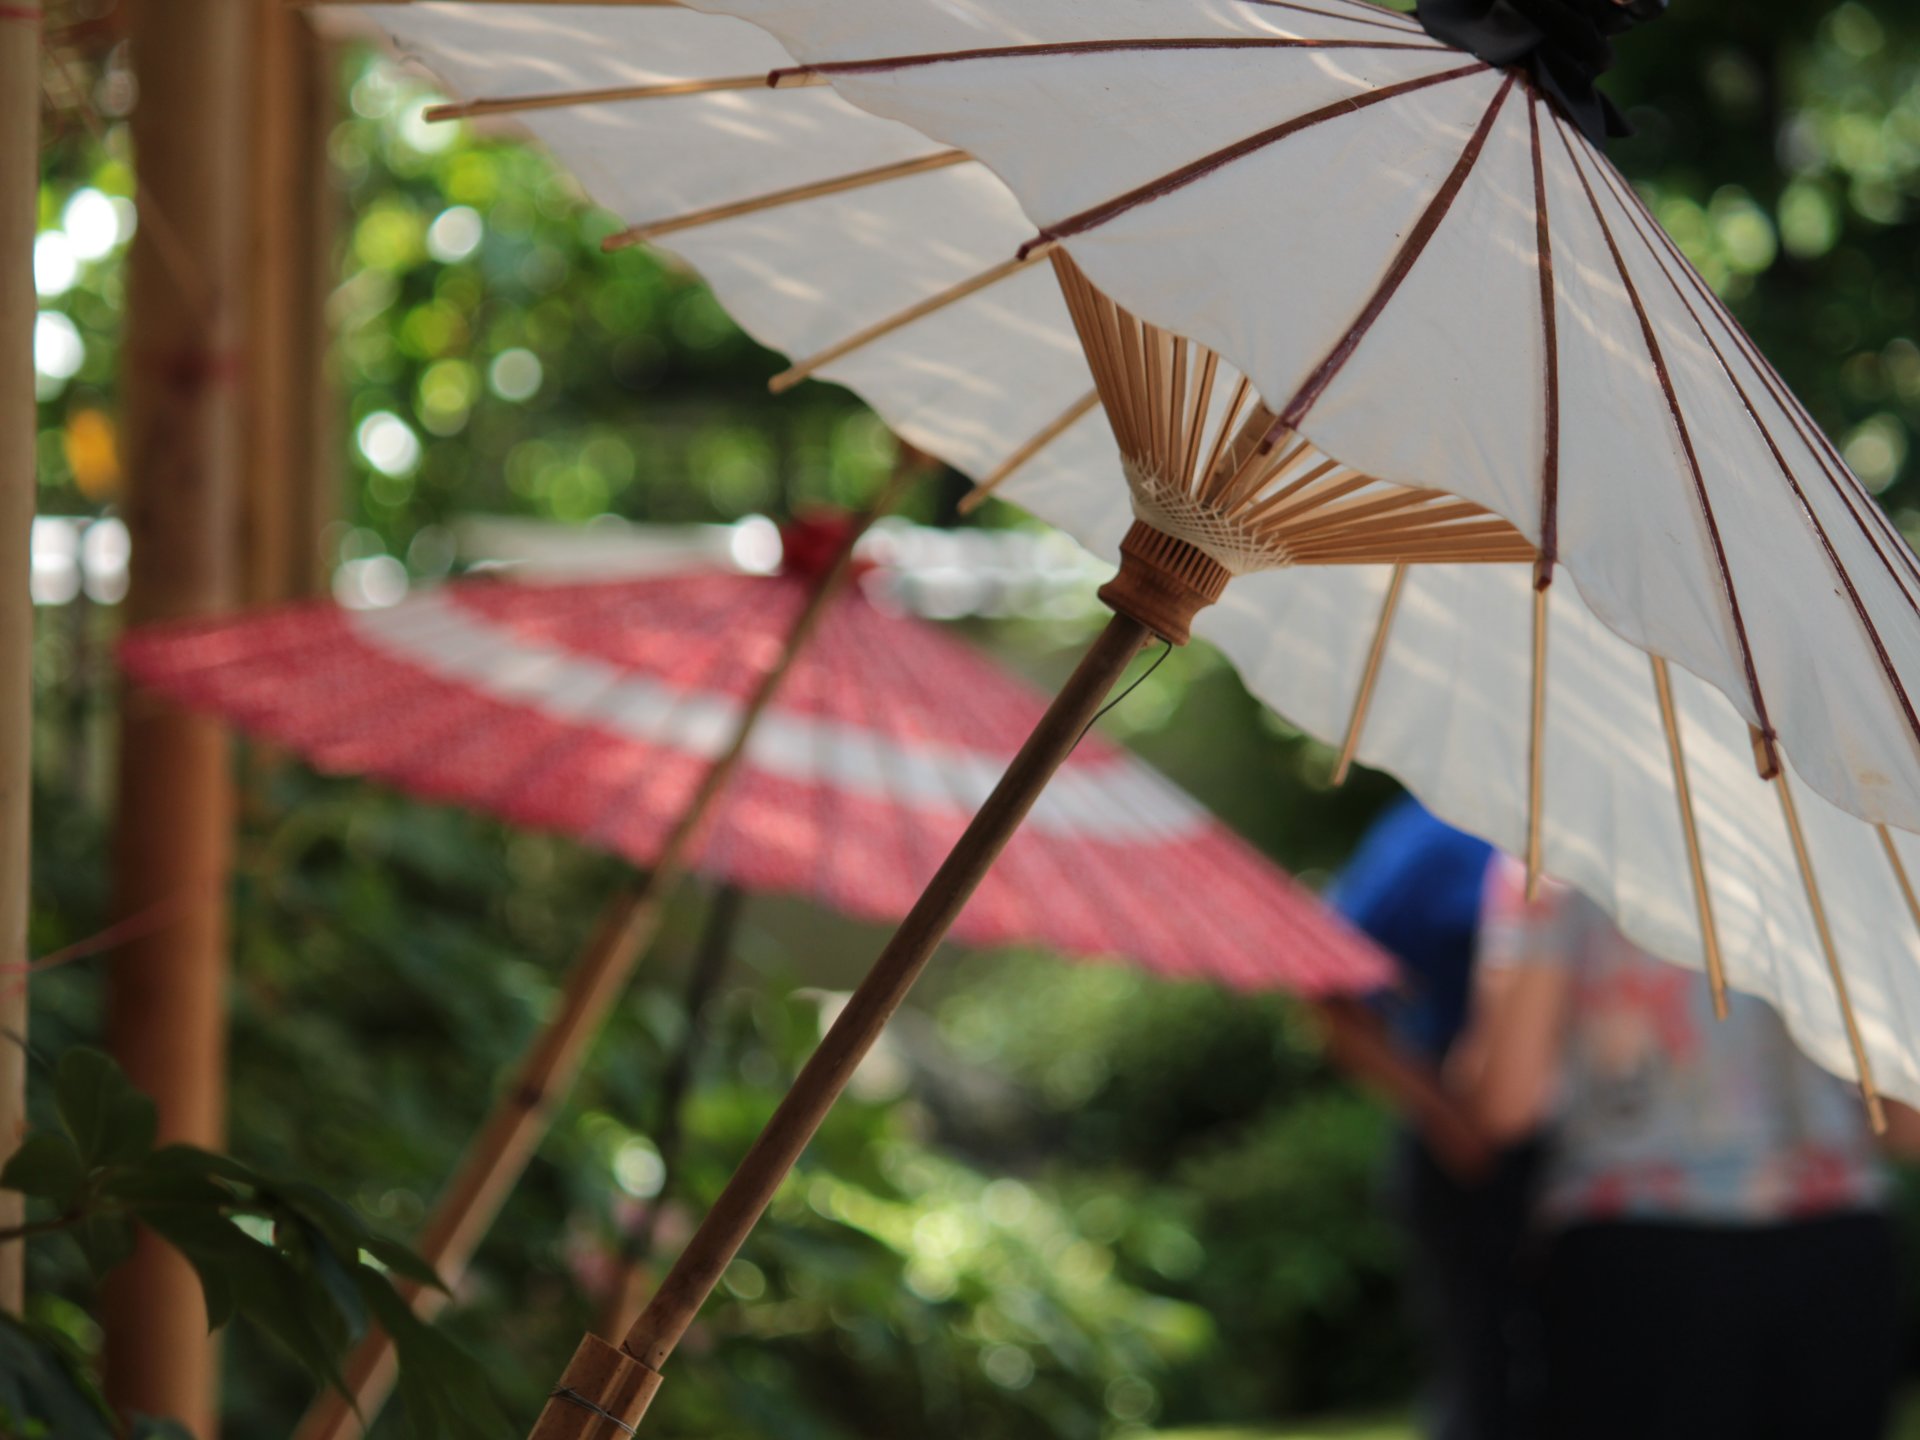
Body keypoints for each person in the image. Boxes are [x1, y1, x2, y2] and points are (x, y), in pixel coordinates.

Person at [1451, 856, 1905, 1440]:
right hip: (1830, 1245)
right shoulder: (1833, 851)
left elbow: (1503, 1107)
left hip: (1636, 1253)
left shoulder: (1553, 853)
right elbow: (1906, 1128)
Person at [1332, 797, 1543, 1440]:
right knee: (1480, 1377)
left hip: (1591, 1150)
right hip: (1468, 1153)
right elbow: (1330, 990)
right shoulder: (1432, 838)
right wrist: (1441, 1113)